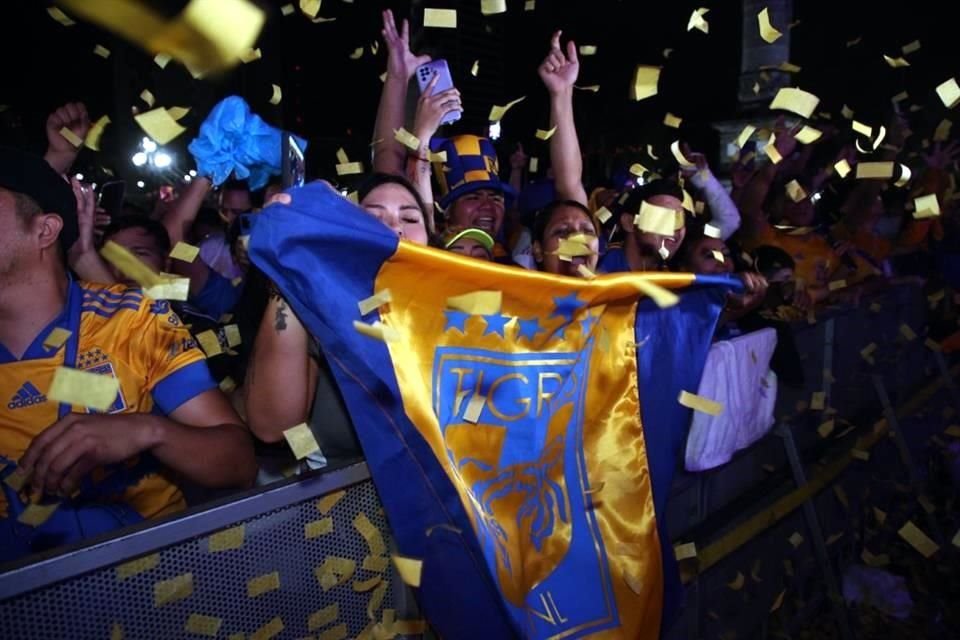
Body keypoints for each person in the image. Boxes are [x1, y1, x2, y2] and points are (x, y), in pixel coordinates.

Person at [0, 147, 256, 560]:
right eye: (115, 254)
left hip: (153, 584)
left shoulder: (136, 319)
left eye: (139, 255)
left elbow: (239, 462)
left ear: (45, 230)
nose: (126, 264)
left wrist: (146, 431)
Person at [245, 173, 430, 478]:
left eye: (410, 218)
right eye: (374, 217)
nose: (395, 227)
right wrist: (293, 268)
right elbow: (271, 427)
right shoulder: (321, 315)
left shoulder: (458, 317)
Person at [532, 200, 600, 277]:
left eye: (587, 231)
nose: (577, 238)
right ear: (538, 251)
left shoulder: (613, 287)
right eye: (562, 231)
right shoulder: (519, 288)